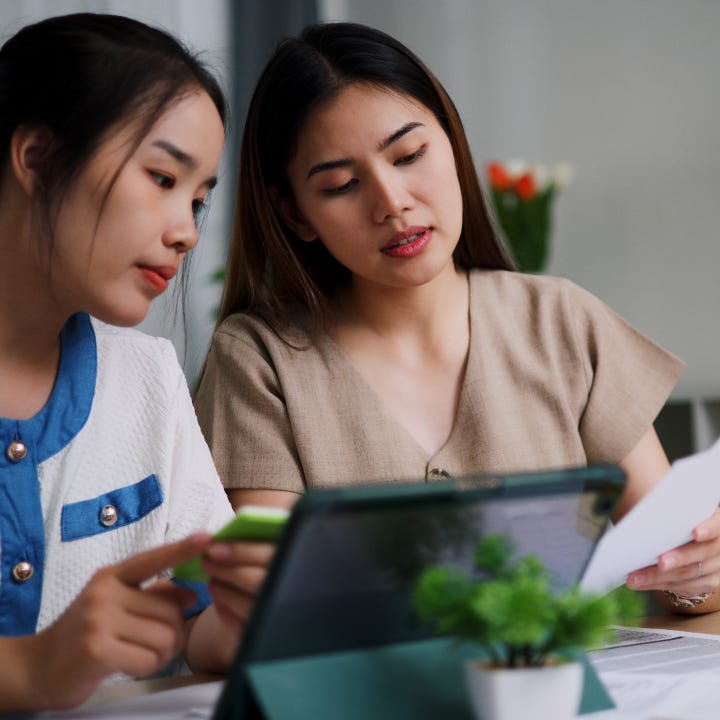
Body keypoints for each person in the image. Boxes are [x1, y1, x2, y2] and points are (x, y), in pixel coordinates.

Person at [193, 22, 720, 613]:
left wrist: (698, 570)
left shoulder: (561, 322)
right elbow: (268, 609)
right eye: (342, 185)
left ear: (452, 141)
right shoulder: (259, 359)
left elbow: (680, 566)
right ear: (295, 215)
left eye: (410, 154)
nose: (392, 202)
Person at [0, 14, 270, 713]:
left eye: (200, 199)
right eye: (162, 177)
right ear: (36, 158)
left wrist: (245, 620)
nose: (185, 231)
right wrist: (27, 671)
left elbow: (198, 623)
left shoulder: (148, 375)